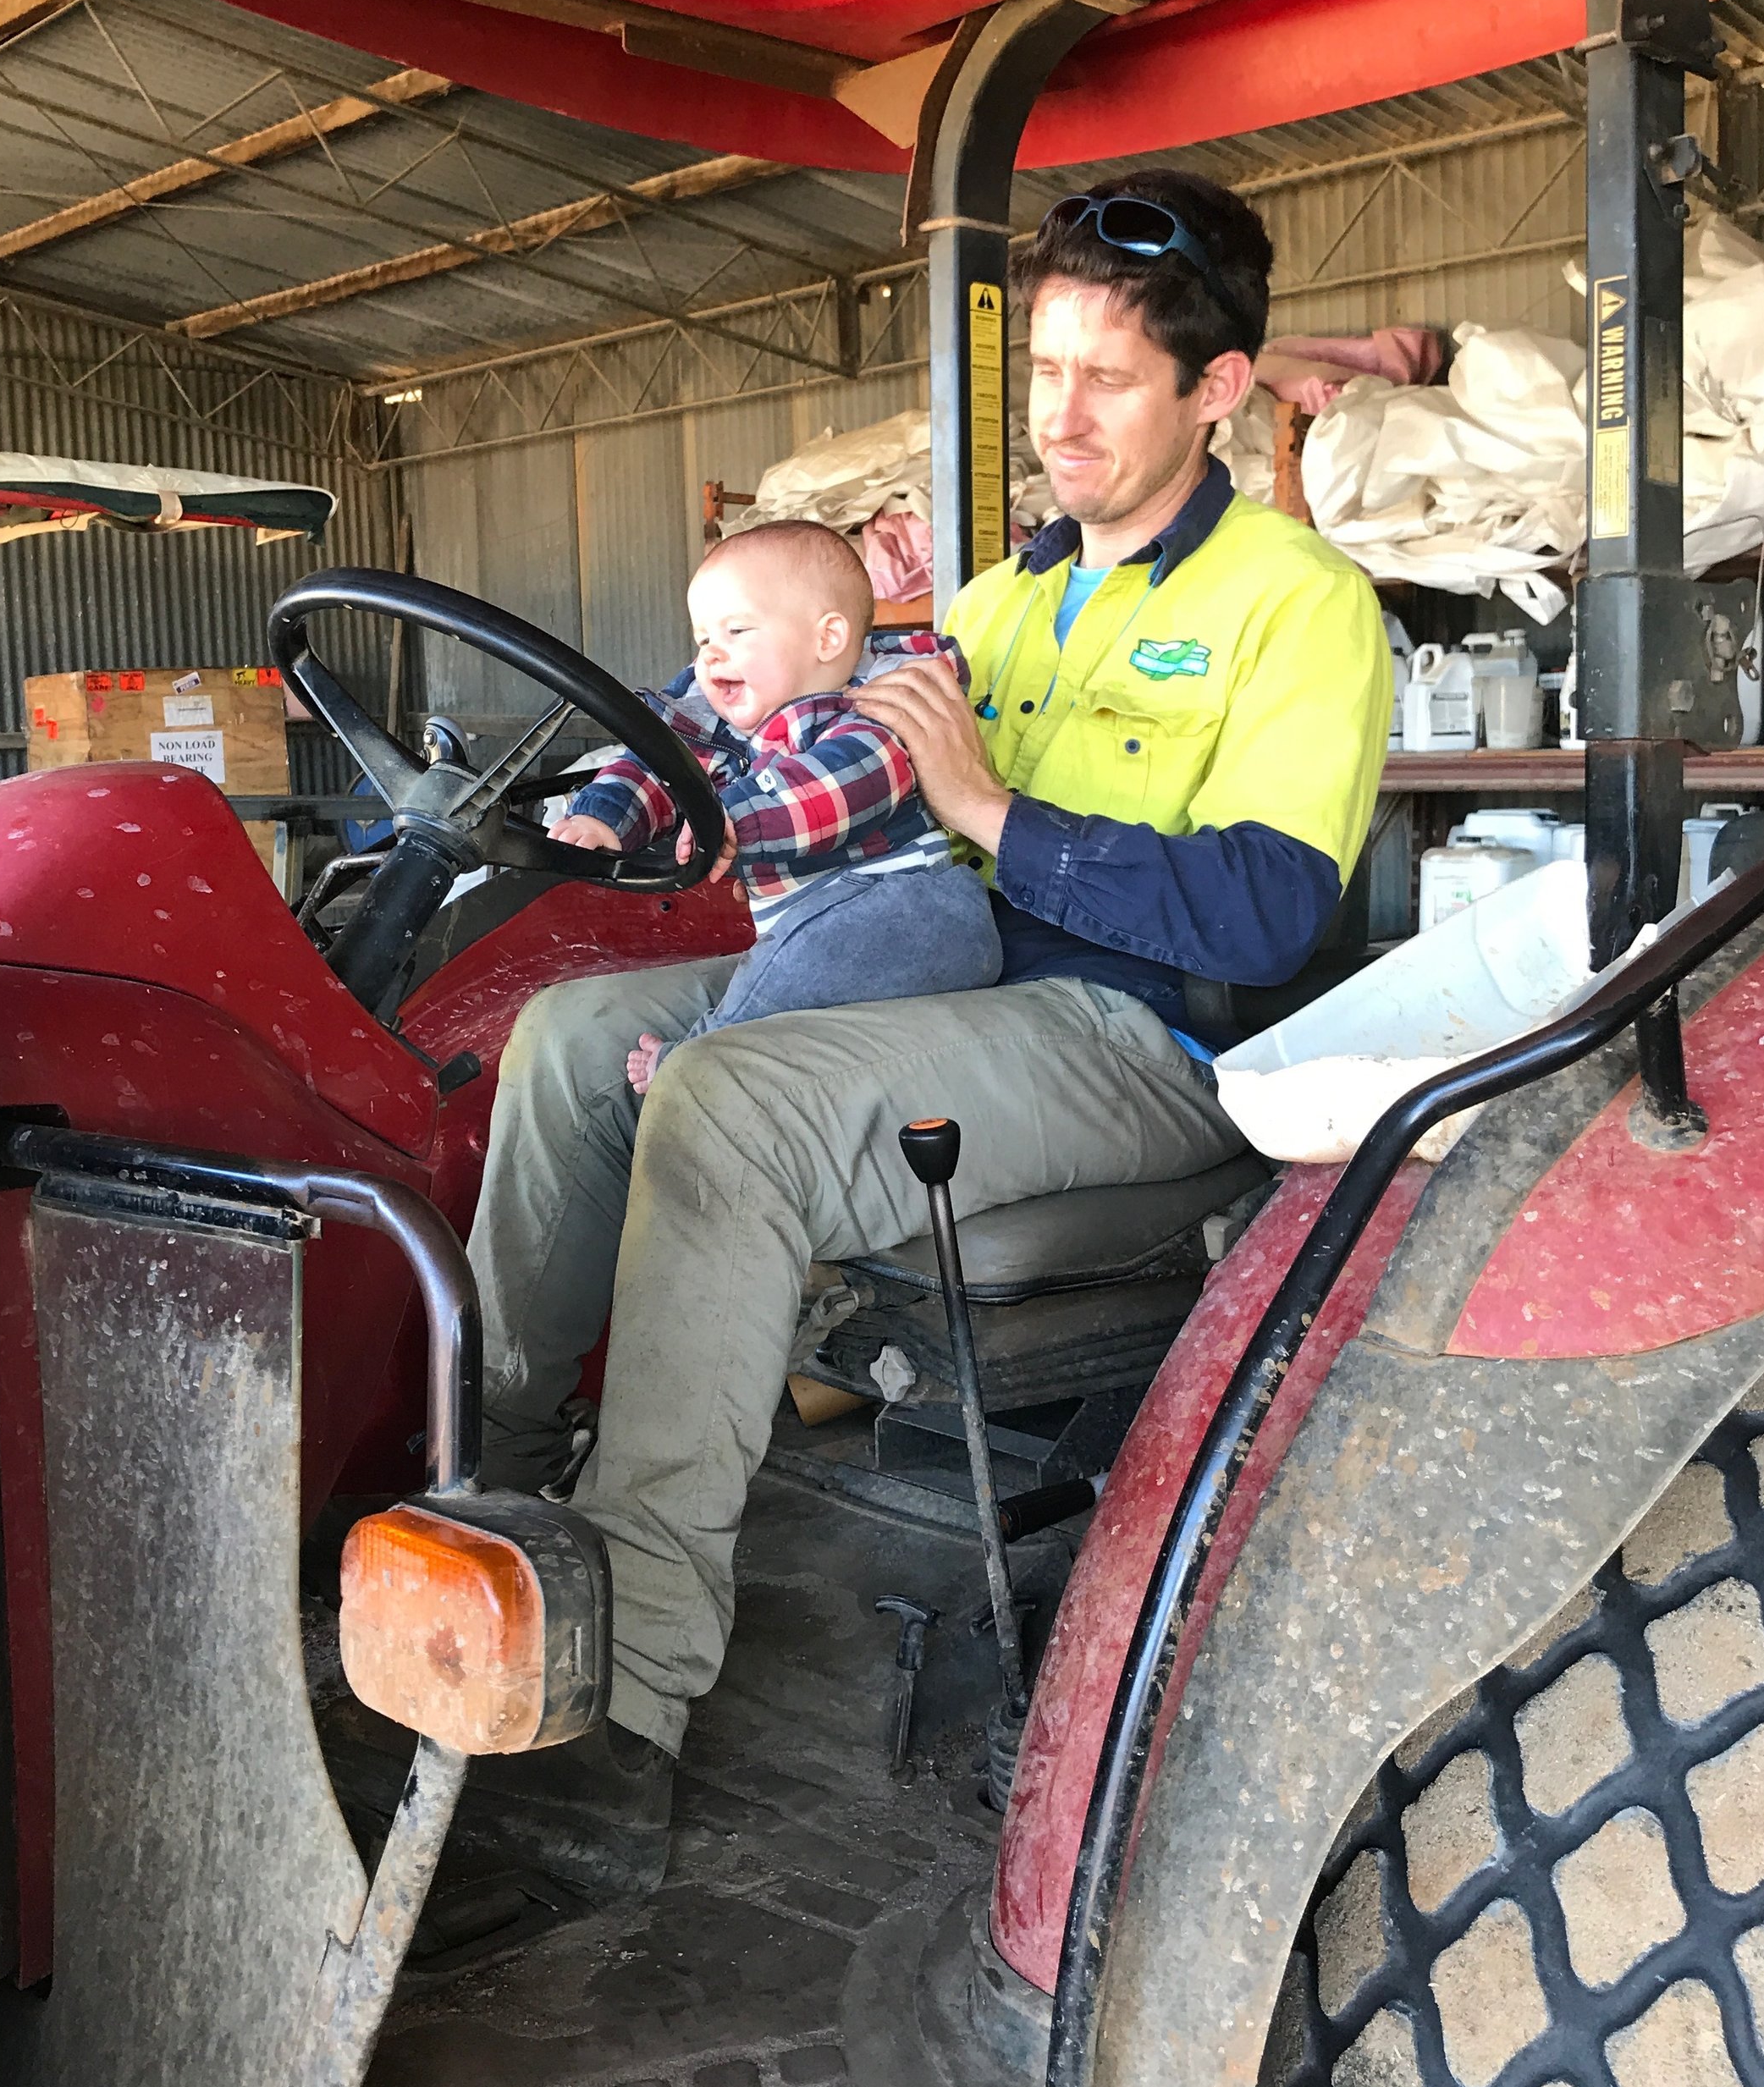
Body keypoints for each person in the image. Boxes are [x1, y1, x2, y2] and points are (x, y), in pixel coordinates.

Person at [454, 168, 1392, 1897]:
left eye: (1108, 375)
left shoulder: (1296, 603)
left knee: (726, 1099)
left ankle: (622, 1702)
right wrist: (643, 804)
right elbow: (802, 757)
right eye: (1043, 369)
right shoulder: (986, 601)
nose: (1061, 413)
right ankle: (496, 1511)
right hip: (930, 973)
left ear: (1217, 390)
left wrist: (990, 801)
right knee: (571, 1037)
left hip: (1132, 1036)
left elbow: (1265, 918)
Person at [548, 520, 1000, 1091]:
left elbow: (837, 787)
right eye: (703, 638)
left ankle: (703, 1049)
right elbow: (661, 767)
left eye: (737, 630)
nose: (712, 655)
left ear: (828, 638)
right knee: (784, 960)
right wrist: (603, 818)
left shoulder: (880, 711)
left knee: (790, 962)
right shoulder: (727, 728)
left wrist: (733, 820)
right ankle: (718, 1045)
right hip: (811, 938)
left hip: (916, 920)